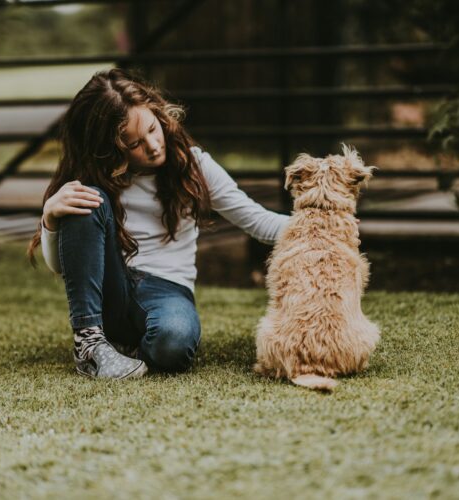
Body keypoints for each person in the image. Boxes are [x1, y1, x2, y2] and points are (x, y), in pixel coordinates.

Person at [26, 68, 290, 380]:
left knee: (174, 345)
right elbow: (61, 268)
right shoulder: (91, 180)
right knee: (85, 197)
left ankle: (124, 350)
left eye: (153, 129)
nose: (152, 146)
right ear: (109, 148)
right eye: (134, 143)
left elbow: (257, 221)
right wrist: (51, 218)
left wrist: (324, 225)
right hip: (111, 286)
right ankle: (90, 345)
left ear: (159, 114)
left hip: (168, 288)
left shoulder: (194, 166)